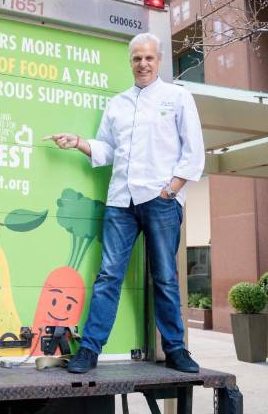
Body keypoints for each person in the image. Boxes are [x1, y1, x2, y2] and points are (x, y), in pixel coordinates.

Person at [47, 33, 205, 374]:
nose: (142, 64)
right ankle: (89, 350)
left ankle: (176, 349)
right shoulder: (117, 104)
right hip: (121, 202)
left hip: (161, 201)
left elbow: (194, 153)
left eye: (148, 58)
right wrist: (78, 143)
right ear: (130, 62)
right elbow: (105, 150)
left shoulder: (177, 97)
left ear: (159, 60)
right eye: (137, 58)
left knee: (164, 277)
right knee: (108, 276)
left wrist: (171, 191)